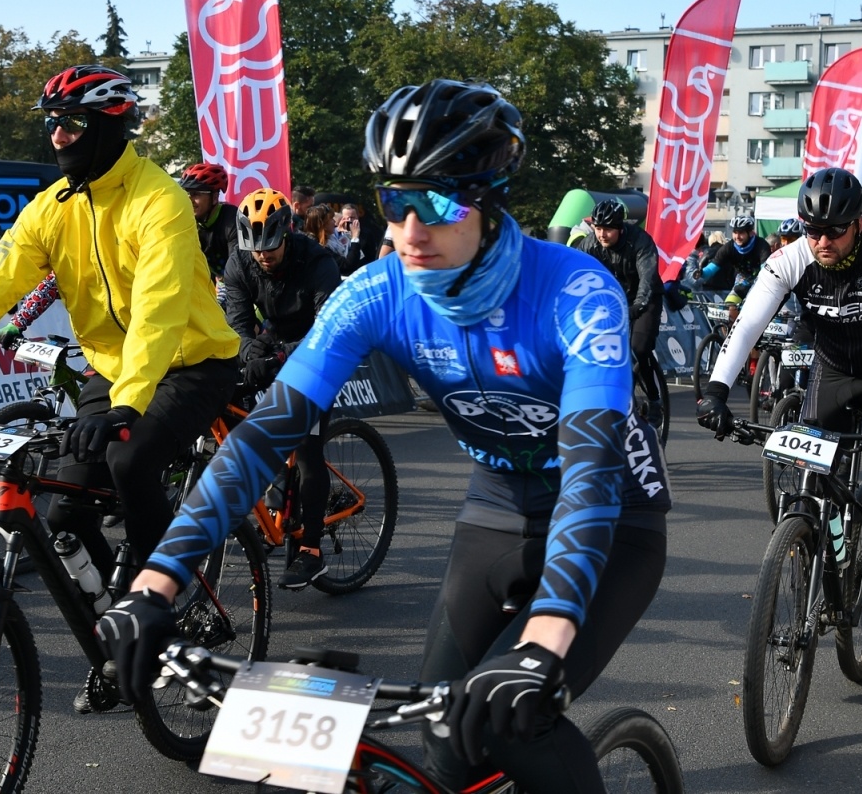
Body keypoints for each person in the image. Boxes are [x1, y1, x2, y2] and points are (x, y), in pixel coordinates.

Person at [99, 79, 669, 793]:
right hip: (499, 501)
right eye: (393, 203)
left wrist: (544, 641)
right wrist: (155, 584)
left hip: (612, 513)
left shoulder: (577, 292)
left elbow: (590, 468)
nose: (408, 231)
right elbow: (264, 435)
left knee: (507, 719)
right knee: (441, 735)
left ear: (488, 201)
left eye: (433, 202)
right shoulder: (376, 290)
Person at [0, 64, 240, 713]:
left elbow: (158, 314)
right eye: (50, 125)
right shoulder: (53, 208)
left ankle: (168, 605)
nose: (56, 138)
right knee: (66, 513)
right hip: (113, 368)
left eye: (69, 124)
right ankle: (111, 646)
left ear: (106, 126)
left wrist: (125, 405)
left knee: (130, 458)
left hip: (189, 362)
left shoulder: (159, 200)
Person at [696, 167, 862, 579]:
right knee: (815, 465)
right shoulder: (791, 258)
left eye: (835, 230)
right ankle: (818, 540)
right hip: (834, 367)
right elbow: (748, 324)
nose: (823, 241)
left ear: (858, 223)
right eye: (813, 230)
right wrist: (716, 391)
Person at [223, 187, 342, 587]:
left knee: (307, 451)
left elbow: (327, 334)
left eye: (270, 247)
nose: (263, 255)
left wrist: (275, 360)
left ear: (286, 233)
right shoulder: (241, 259)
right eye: (255, 248)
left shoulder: (318, 262)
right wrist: (247, 355)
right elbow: (237, 318)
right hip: (273, 337)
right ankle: (269, 502)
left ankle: (312, 549)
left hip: (318, 349)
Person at [572, 199, 664, 426]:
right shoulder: (590, 244)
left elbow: (648, 278)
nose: (602, 234)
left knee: (639, 348)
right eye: (598, 228)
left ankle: (654, 400)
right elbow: (576, 276)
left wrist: (639, 305)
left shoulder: (640, 241)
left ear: (620, 228)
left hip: (644, 299)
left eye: (608, 229)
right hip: (612, 301)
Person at [176, 162, 237, 280]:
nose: (189, 200)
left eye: (195, 194)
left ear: (214, 197)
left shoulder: (232, 221)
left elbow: (239, 268)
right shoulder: (189, 222)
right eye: (186, 194)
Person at [694, 213, 770, 293]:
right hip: (743, 280)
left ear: (750, 233)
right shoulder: (728, 248)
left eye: (741, 233)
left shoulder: (762, 245)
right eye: (735, 232)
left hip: (761, 281)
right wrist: (701, 273)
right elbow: (712, 267)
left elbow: (765, 270)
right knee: (730, 304)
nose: (737, 237)